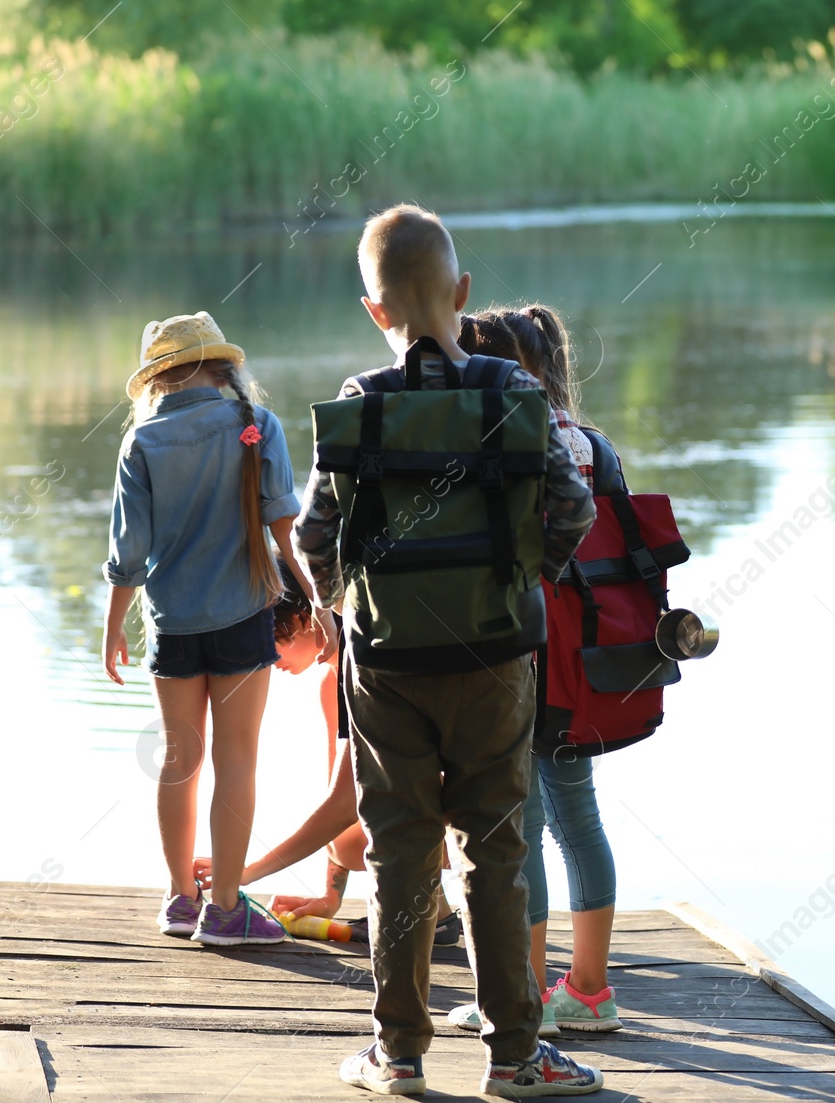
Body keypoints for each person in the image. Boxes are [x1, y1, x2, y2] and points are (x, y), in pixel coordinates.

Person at [295, 204, 600, 1098]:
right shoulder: (513, 394)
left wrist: (331, 603)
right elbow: (573, 506)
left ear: (372, 310)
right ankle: (515, 1058)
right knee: (496, 851)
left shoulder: (360, 404)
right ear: (463, 295)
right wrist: (524, 577)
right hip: (497, 653)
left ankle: (398, 1057)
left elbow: (317, 537)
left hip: (387, 659)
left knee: (399, 854)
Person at [102, 310, 331, 947]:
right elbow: (288, 530)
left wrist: (113, 626)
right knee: (237, 759)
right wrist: (319, 601)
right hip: (241, 617)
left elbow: (129, 548)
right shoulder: (256, 425)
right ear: (224, 366)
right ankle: (226, 908)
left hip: (171, 623)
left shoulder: (141, 441)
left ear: (158, 379)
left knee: (179, 760)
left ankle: (180, 900)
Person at [445, 306, 622, 1037]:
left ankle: (522, 995)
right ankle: (588, 989)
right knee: (579, 819)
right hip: (584, 658)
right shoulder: (594, 445)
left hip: (517, 647)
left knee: (520, 824)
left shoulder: (496, 436)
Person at [190, 559, 463, 945]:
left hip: (483, 803)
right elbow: (344, 796)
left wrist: (244, 872)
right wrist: (330, 898)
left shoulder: (370, 657)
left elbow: (343, 803)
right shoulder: (329, 682)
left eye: (269, 639)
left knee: (379, 810)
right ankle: (433, 909)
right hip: (431, 793)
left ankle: (429, 913)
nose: (263, 656)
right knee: (350, 840)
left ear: (307, 618)